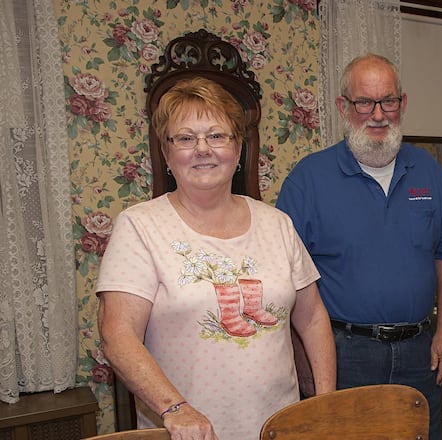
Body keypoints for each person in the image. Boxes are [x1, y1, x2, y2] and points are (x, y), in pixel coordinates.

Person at [96, 76, 336, 440]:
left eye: (217, 135)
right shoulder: (140, 227)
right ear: (165, 152)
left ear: (237, 149)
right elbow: (117, 334)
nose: (202, 149)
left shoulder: (277, 224)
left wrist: (325, 403)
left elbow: (313, 316)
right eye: (186, 138)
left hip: (279, 429)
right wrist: (175, 408)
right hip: (188, 433)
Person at [275, 53, 442, 440]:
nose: (378, 114)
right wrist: (302, 358)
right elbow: (285, 283)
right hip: (343, 354)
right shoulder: (307, 180)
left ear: (402, 103)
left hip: (419, 352)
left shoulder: (429, 171)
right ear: (344, 106)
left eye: (388, 101)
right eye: (365, 102)